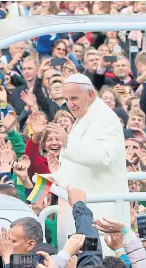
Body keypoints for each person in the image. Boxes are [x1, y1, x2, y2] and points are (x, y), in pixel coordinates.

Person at [50, 73, 128, 250]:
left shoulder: (105, 119)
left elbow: (104, 157)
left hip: (99, 209)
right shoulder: (85, 115)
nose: (70, 104)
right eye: (67, 99)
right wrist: (57, 178)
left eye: (74, 98)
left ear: (90, 95)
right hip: (80, 207)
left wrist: (67, 141)